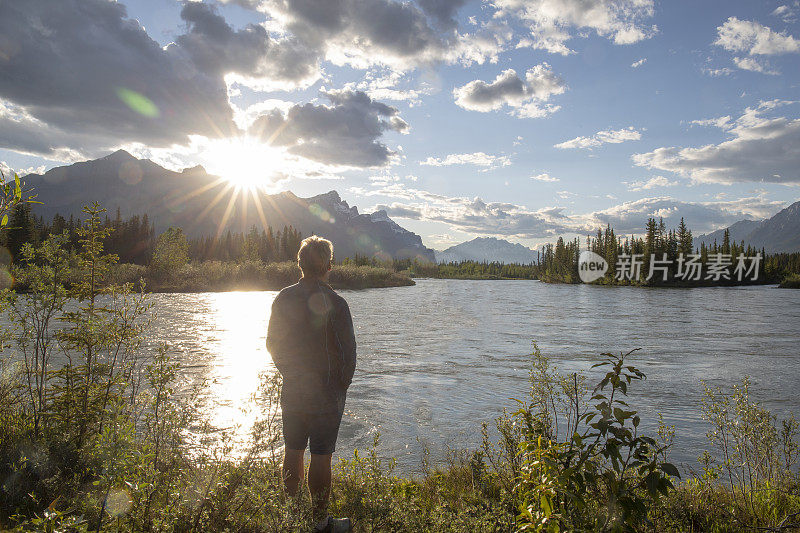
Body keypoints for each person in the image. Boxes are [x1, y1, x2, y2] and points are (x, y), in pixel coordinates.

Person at [266, 235, 356, 533]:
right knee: (321, 454)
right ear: (328, 266)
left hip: (293, 388)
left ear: (300, 264)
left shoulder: (282, 297)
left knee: (293, 449)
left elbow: (273, 345)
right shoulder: (337, 304)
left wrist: (290, 373)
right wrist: (338, 388)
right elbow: (348, 355)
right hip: (326, 393)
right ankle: (320, 523)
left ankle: (292, 516)